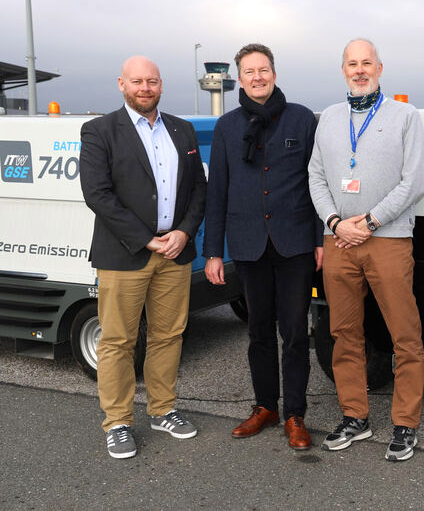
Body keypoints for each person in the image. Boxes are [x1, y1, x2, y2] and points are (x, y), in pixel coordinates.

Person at [80, 56, 207, 459]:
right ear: (122, 84)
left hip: (175, 251)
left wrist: (183, 231)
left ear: (161, 85)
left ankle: (163, 409)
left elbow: (199, 189)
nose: (145, 88)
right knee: (118, 340)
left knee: (168, 335)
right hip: (125, 254)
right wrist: (147, 240)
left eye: (152, 81)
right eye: (137, 81)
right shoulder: (100, 131)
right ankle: (117, 422)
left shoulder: (181, 129)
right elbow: (97, 194)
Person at [308, 38, 424, 461]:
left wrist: (371, 222)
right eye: (352, 64)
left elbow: (413, 182)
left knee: (404, 335)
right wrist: (337, 223)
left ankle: (405, 423)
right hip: (339, 240)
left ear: (380, 67)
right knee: (343, 334)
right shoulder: (330, 119)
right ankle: (355, 417)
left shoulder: (404, 116)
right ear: (343, 70)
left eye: (367, 63)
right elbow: (316, 178)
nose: (360, 70)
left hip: (388, 239)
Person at [203, 43, 322, 450]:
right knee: (258, 332)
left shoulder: (303, 119)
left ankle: (295, 414)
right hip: (248, 245)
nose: (257, 76)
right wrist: (213, 251)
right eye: (250, 71)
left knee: (294, 333)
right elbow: (216, 191)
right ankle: (264, 407)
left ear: (274, 72)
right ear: (239, 77)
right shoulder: (227, 127)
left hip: (295, 244)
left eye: (264, 69)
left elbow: (318, 184)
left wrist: (321, 238)